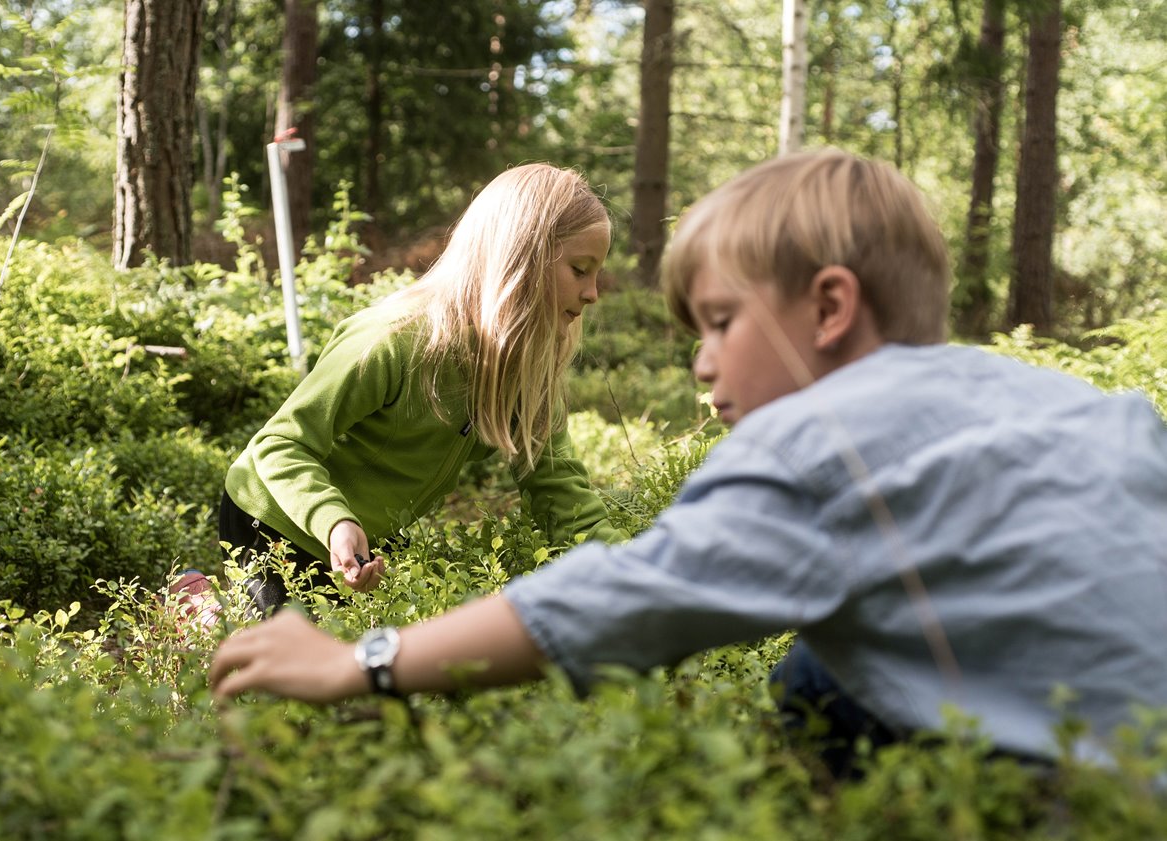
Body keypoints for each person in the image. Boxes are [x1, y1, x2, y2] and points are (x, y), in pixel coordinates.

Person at [207, 149, 1167, 774]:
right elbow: (282, 445)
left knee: (814, 684)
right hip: (281, 522)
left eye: (718, 321)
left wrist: (365, 665)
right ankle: (208, 600)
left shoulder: (817, 445)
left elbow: (624, 599)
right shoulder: (1081, 402)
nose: (702, 359)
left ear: (830, 310)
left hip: (1064, 792)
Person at [179, 162, 628, 620]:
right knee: (274, 666)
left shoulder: (526, 370)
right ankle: (193, 606)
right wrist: (334, 521)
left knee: (370, 659)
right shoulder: (393, 341)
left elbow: (558, 488)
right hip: (277, 517)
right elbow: (279, 445)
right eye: (579, 270)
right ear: (520, 259)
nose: (593, 293)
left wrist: (630, 573)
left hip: (366, 539)